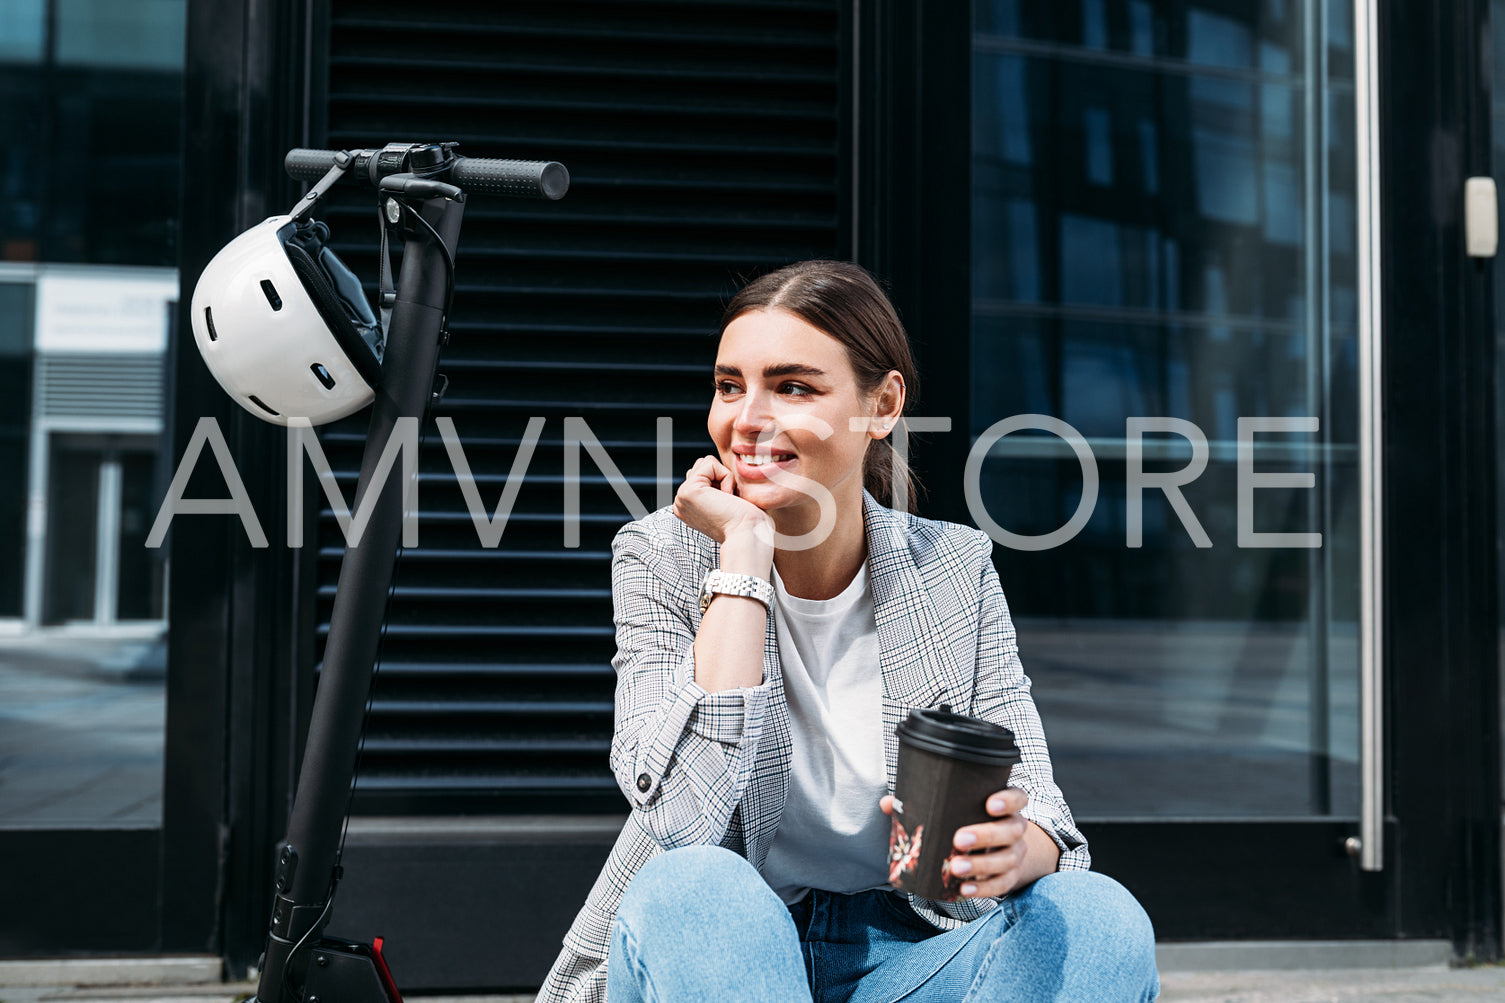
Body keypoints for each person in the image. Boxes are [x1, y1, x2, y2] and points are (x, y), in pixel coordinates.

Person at [535, 260, 1159, 1003]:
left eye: (792, 386)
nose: (746, 418)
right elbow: (680, 822)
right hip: (719, 958)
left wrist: (1010, 851)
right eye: (730, 385)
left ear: (882, 404)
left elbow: (1040, 809)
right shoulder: (661, 556)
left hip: (908, 953)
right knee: (692, 886)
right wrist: (741, 556)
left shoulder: (953, 565)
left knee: (1096, 916)